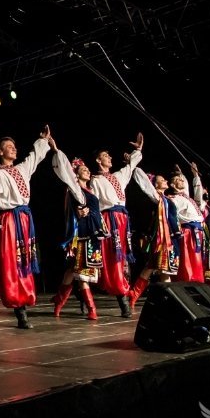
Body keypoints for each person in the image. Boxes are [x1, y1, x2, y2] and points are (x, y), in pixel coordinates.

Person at [0, 126, 52, 329]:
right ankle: (19, 310)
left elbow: (35, 156)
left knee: (24, 261)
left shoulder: (22, 169)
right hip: (9, 220)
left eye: (14, 146)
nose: (13, 149)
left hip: (24, 219)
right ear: (0, 152)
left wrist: (43, 140)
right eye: (8, 146)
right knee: (12, 261)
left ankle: (6, 302)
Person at [88, 133, 143, 318]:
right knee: (114, 258)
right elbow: (94, 205)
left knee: (123, 258)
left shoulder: (118, 176)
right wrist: (99, 225)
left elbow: (131, 165)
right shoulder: (95, 180)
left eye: (109, 155)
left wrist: (138, 150)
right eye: (105, 155)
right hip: (108, 218)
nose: (110, 157)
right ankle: (122, 298)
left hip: (122, 218)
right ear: (98, 160)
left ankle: (123, 292)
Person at [50, 149, 108, 320]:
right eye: (83, 169)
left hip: (93, 232)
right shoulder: (74, 190)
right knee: (82, 273)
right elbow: (71, 210)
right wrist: (78, 212)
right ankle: (92, 309)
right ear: (76, 174)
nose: (87, 171)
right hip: (82, 233)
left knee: (72, 270)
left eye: (88, 169)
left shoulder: (90, 190)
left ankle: (59, 301)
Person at [126, 168, 182, 308]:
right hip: (162, 237)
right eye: (162, 180)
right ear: (155, 185)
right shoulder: (156, 197)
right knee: (160, 269)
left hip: (169, 236)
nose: (165, 181)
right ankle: (166, 302)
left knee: (155, 267)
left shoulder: (166, 199)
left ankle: (135, 294)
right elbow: (144, 182)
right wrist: (134, 164)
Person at [165, 162, 207, 284]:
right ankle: (187, 283)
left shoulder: (186, 197)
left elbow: (197, 192)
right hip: (187, 231)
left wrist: (195, 175)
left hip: (198, 230)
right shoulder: (173, 199)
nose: (182, 180)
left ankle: (198, 282)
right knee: (188, 260)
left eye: (182, 179)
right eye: (178, 179)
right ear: (172, 184)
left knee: (197, 259)